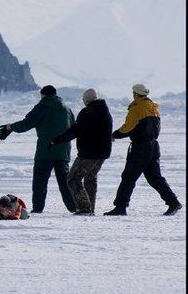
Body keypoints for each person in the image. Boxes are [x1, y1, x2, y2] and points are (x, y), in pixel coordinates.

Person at [104, 84, 182, 216]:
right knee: (154, 177)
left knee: (128, 177)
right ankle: (173, 202)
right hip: (153, 146)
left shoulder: (137, 109)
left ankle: (120, 207)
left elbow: (128, 128)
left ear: (135, 94)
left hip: (140, 147)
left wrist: (114, 135)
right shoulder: (153, 108)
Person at [0, 85, 76, 213]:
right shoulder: (67, 109)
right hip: (63, 152)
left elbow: (27, 123)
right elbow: (74, 129)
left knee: (40, 182)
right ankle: (74, 207)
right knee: (65, 182)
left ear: (43, 95)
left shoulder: (42, 106)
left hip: (45, 151)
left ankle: (38, 209)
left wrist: (10, 127)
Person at [50, 88, 113, 215]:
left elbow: (75, 130)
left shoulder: (86, 112)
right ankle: (91, 208)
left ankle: (84, 207)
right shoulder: (106, 113)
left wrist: (57, 140)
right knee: (90, 178)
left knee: (73, 178)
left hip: (88, 154)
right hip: (102, 154)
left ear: (86, 101)